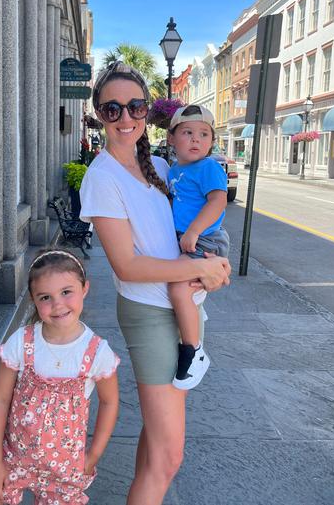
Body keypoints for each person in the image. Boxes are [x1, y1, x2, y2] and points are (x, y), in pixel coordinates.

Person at [79, 62, 231, 505]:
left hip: (179, 305)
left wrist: (210, 268)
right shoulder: (101, 177)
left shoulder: (161, 167)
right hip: (149, 313)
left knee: (157, 440)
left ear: (147, 110)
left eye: (135, 106)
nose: (126, 117)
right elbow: (127, 266)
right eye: (112, 109)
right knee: (169, 456)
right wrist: (197, 272)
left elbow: (190, 224)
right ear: (99, 115)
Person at [0, 249, 119, 505]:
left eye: (66, 292)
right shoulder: (22, 342)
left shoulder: (97, 352)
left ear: (84, 289)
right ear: (34, 300)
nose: (57, 304)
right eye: (45, 297)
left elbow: (109, 402)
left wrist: (93, 455)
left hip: (65, 469)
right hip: (13, 459)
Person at [167, 104, 229, 391]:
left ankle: (193, 350)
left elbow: (217, 201)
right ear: (171, 138)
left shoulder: (209, 167)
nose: (196, 139)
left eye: (204, 134)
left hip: (205, 238)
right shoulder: (175, 170)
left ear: (212, 142)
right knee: (181, 286)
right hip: (188, 237)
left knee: (179, 288)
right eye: (188, 132)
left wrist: (193, 230)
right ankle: (193, 310)